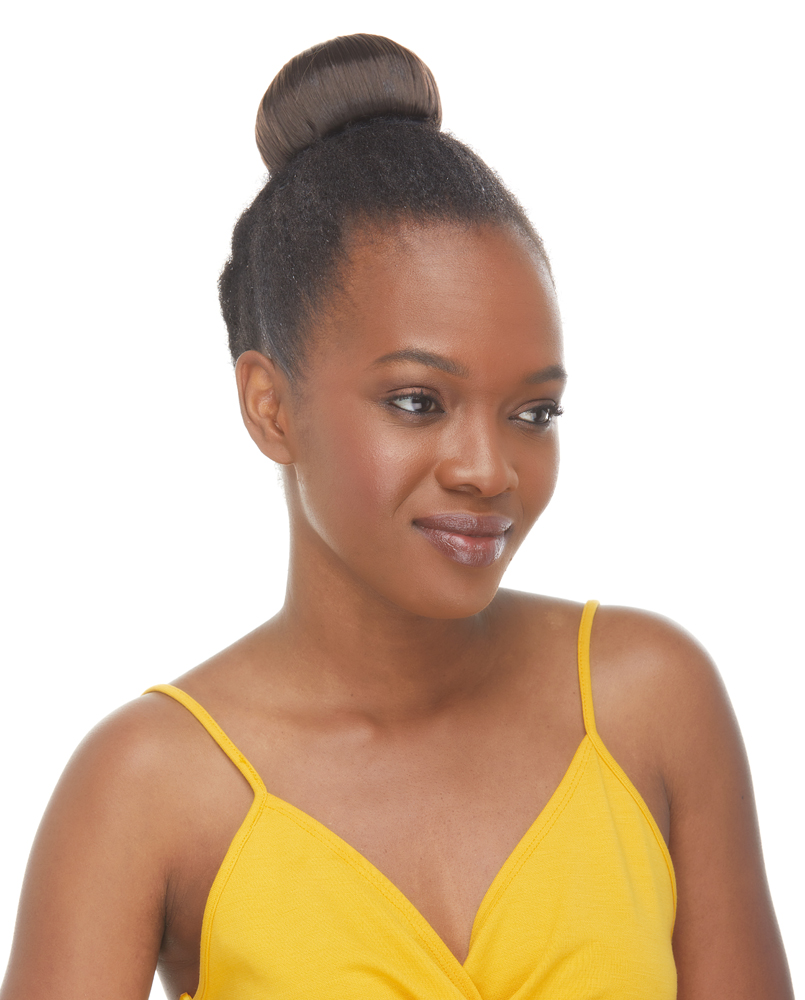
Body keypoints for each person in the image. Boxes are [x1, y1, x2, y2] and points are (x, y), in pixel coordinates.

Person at [0, 32, 793, 1000]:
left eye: (533, 412)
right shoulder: (148, 788)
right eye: (418, 401)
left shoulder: (648, 702)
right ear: (271, 407)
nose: (487, 470)